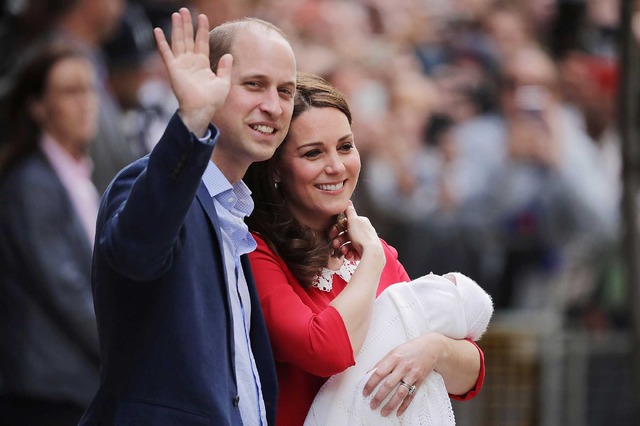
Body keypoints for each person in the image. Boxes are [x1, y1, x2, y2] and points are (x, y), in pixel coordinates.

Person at [79, 7, 296, 425]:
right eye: (254, 85)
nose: (273, 105)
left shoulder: (235, 209)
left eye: (285, 91)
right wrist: (191, 122)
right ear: (207, 85)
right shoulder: (146, 181)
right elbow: (135, 253)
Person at [244, 72, 487, 426]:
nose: (336, 166)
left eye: (345, 146)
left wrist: (434, 350)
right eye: (313, 153)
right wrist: (371, 258)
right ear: (276, 169)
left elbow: (471, 374)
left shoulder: (376, 250)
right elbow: (326, 351)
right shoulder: (256, 252)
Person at [0, 42, 100, 426]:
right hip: (46, 391)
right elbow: (68, 292)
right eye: (70, 91)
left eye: (90, 89)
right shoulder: (32, 184)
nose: (86, 102)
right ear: (38, 107)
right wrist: (128, 346)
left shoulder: (76, 174)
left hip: (73, 384)